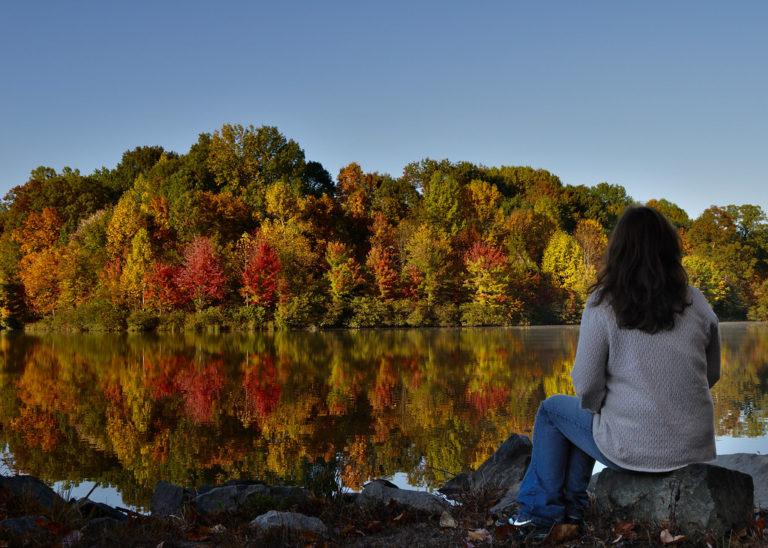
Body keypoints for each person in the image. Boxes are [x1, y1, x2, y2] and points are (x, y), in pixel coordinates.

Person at [509, 205, 721, 540]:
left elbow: (587, 385)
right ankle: (573, 507)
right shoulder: (696, 300)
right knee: (587, 414)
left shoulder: (604, 303)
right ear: (670, 250)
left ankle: (540, 512)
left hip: (635, 449)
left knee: (554, 411)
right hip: (692, 448)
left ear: (619, 252)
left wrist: (606, 406)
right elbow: (711, 375)